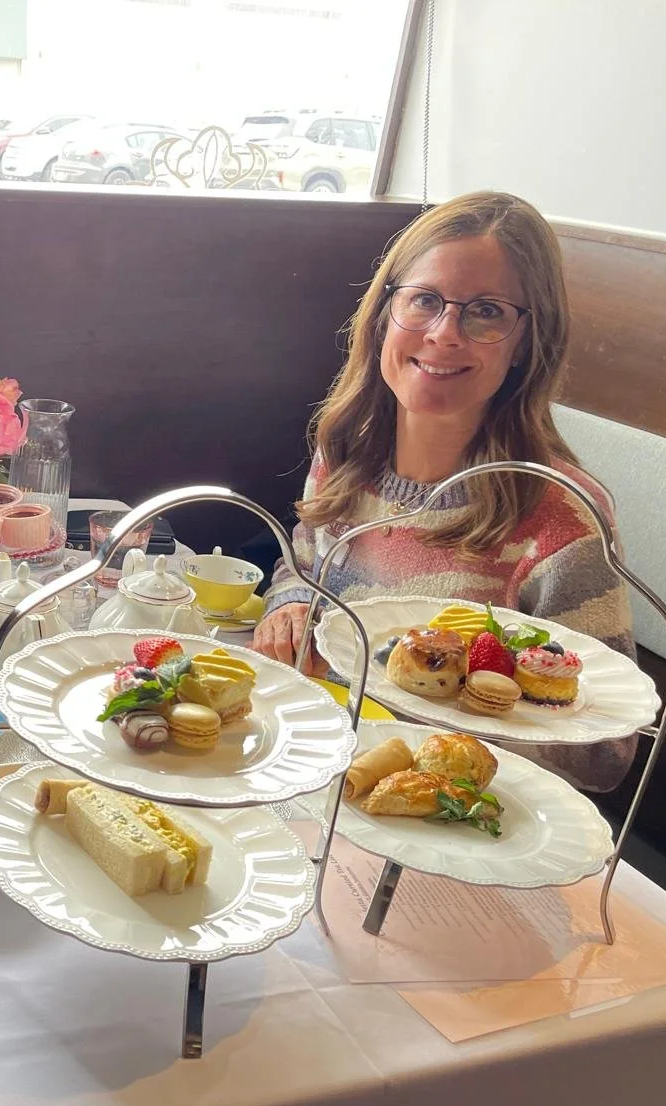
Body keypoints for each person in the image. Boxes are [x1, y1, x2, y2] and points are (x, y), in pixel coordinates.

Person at [251, 191, 636, 792]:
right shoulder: (347, 453)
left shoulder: (563, 519)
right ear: (384, 314)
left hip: (455, 815)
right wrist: (290, 606)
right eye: (425, 300)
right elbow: (302, 565)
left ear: (526, 345)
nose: (445, 333)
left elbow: (606, 753)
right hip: (316, 763)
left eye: (486, 312)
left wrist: (438, 713)